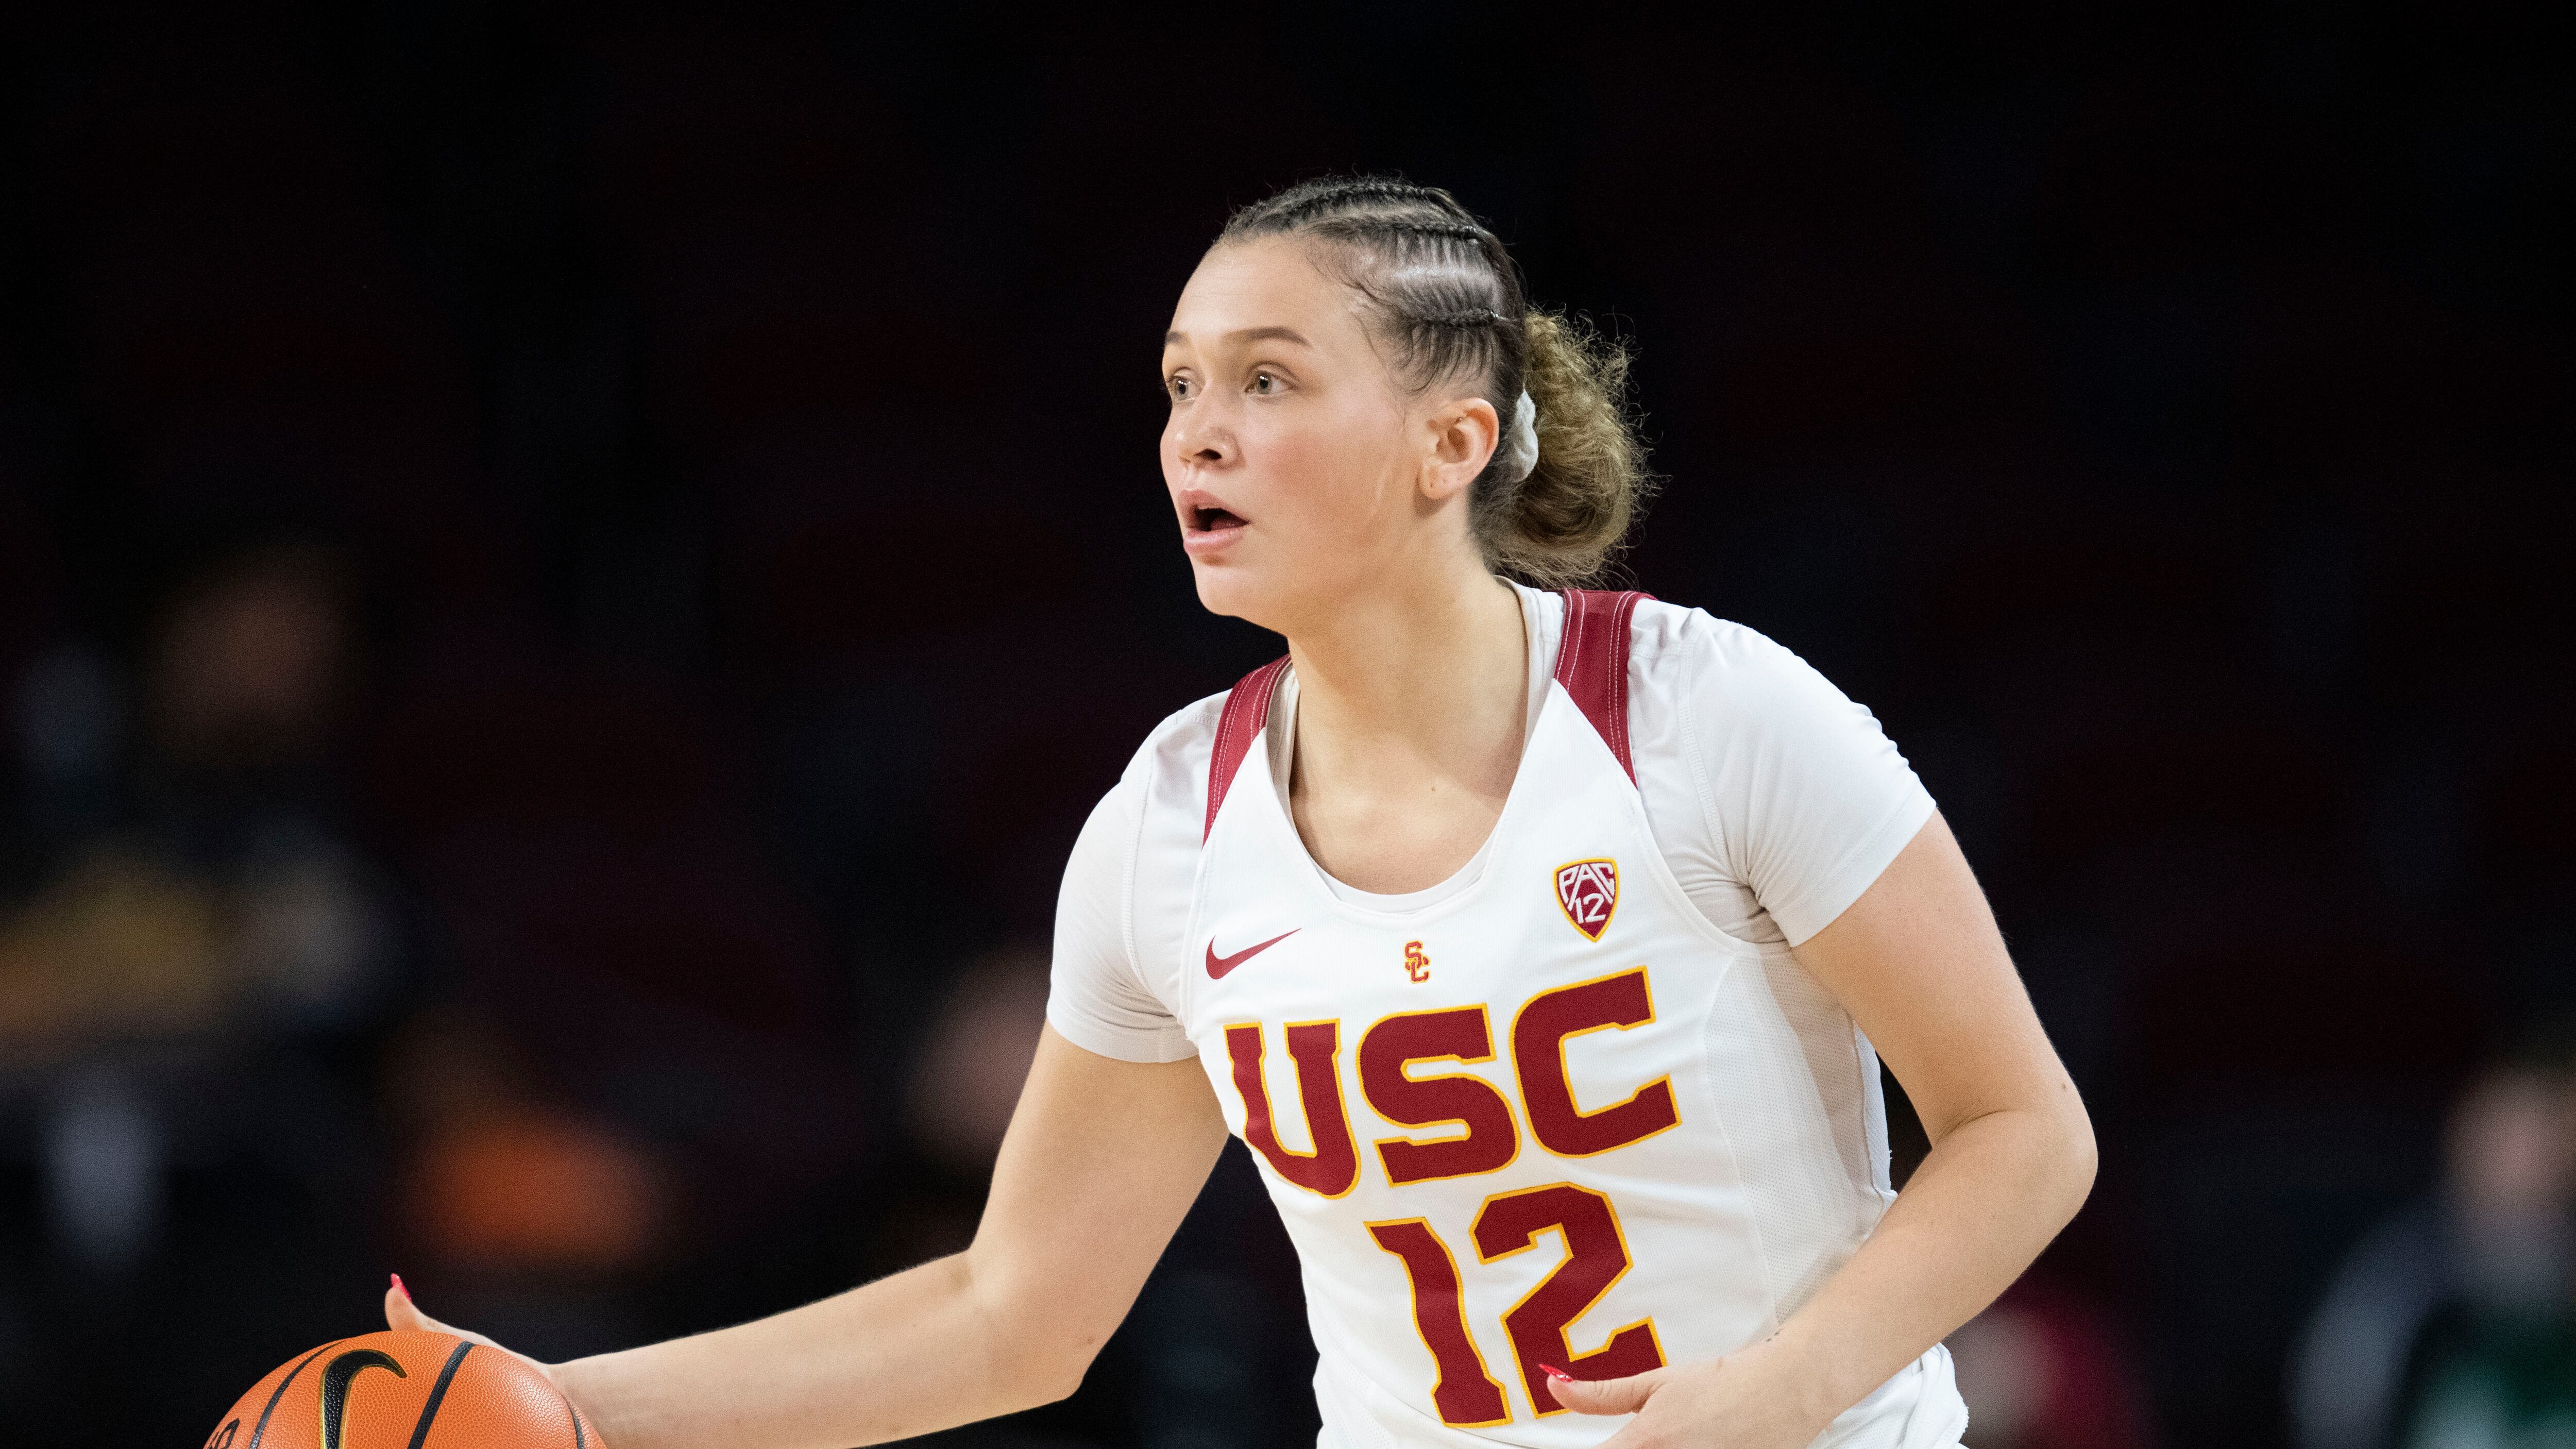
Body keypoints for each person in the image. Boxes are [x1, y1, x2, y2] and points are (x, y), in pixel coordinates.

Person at [388, 176, 2097, 1449]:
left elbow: (2028, 1130)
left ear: (1454, 440)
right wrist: (545, 1405)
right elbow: (1012, 1313)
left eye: (1266, 381)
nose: (1199, 434)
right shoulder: (1166, 832)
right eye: (1181, 386)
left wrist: (1771, 1393)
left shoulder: (1711, 719)